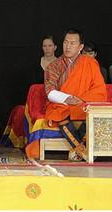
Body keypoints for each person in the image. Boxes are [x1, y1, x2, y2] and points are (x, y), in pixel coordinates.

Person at [44, 29, 107, 161]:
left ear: (81, 47)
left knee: (93, 113)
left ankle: (77, 151)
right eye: (65, 42)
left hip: (83, 103)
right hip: (63, 104)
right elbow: (50, 91)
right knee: (59, 113)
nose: (68, 46)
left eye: (72, 43)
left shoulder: (90, 63)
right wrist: (67, 99)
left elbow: (99, 89)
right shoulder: (54, 66)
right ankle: (84, 151)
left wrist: (81, 99)